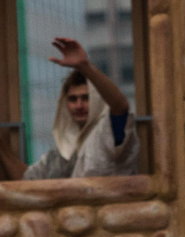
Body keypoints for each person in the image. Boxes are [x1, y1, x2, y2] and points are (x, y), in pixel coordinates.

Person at [0, 36, 138, 181]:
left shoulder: (108, 131)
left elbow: (121, 106)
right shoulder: (65, 146)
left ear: (98, 101)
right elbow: (28, 180)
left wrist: (85, 67)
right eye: (73, 99)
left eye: (86, 98)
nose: (79, 105)